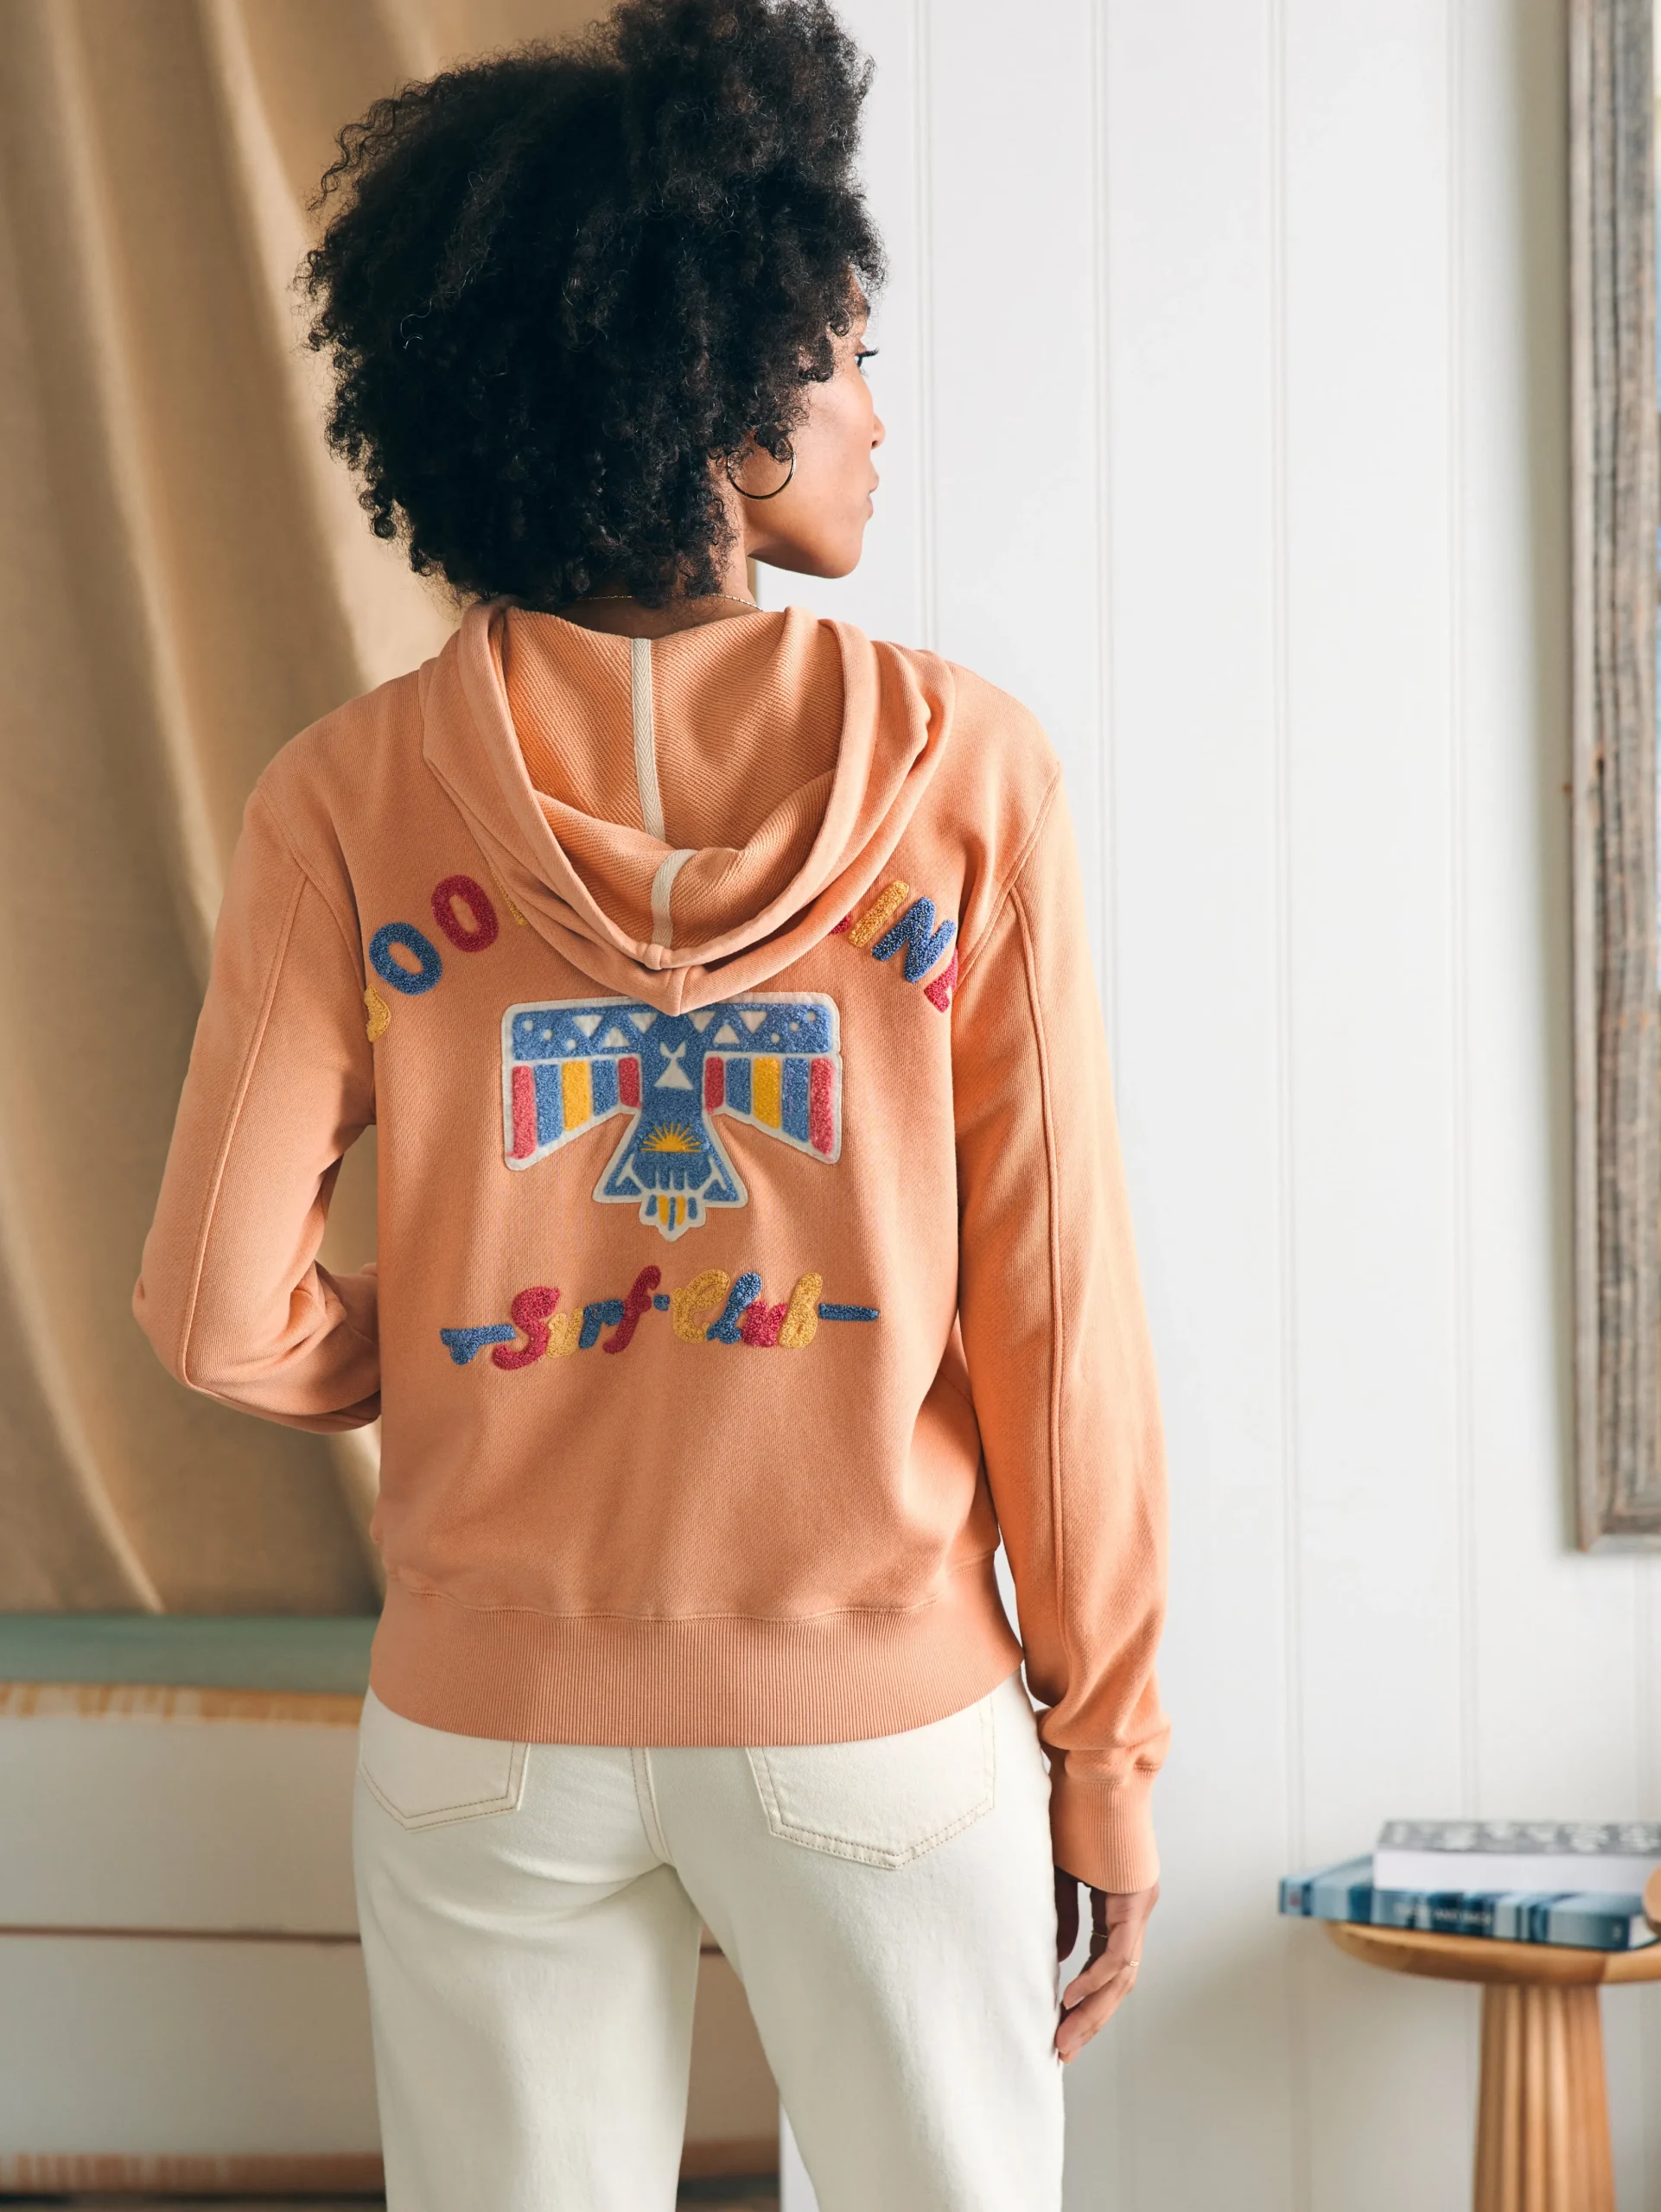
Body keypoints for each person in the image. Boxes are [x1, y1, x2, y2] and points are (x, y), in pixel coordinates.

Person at [134, 2, 1168, 2205]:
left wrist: (465, 1332)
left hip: (487, 1731)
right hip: (880, 1723)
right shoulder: (970, 777)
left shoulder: (343, 794)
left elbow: (213, 1312)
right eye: (848, 359)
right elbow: (1055, 1320)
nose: (878, 415)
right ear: (720, 388)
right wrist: (1109, 1745)